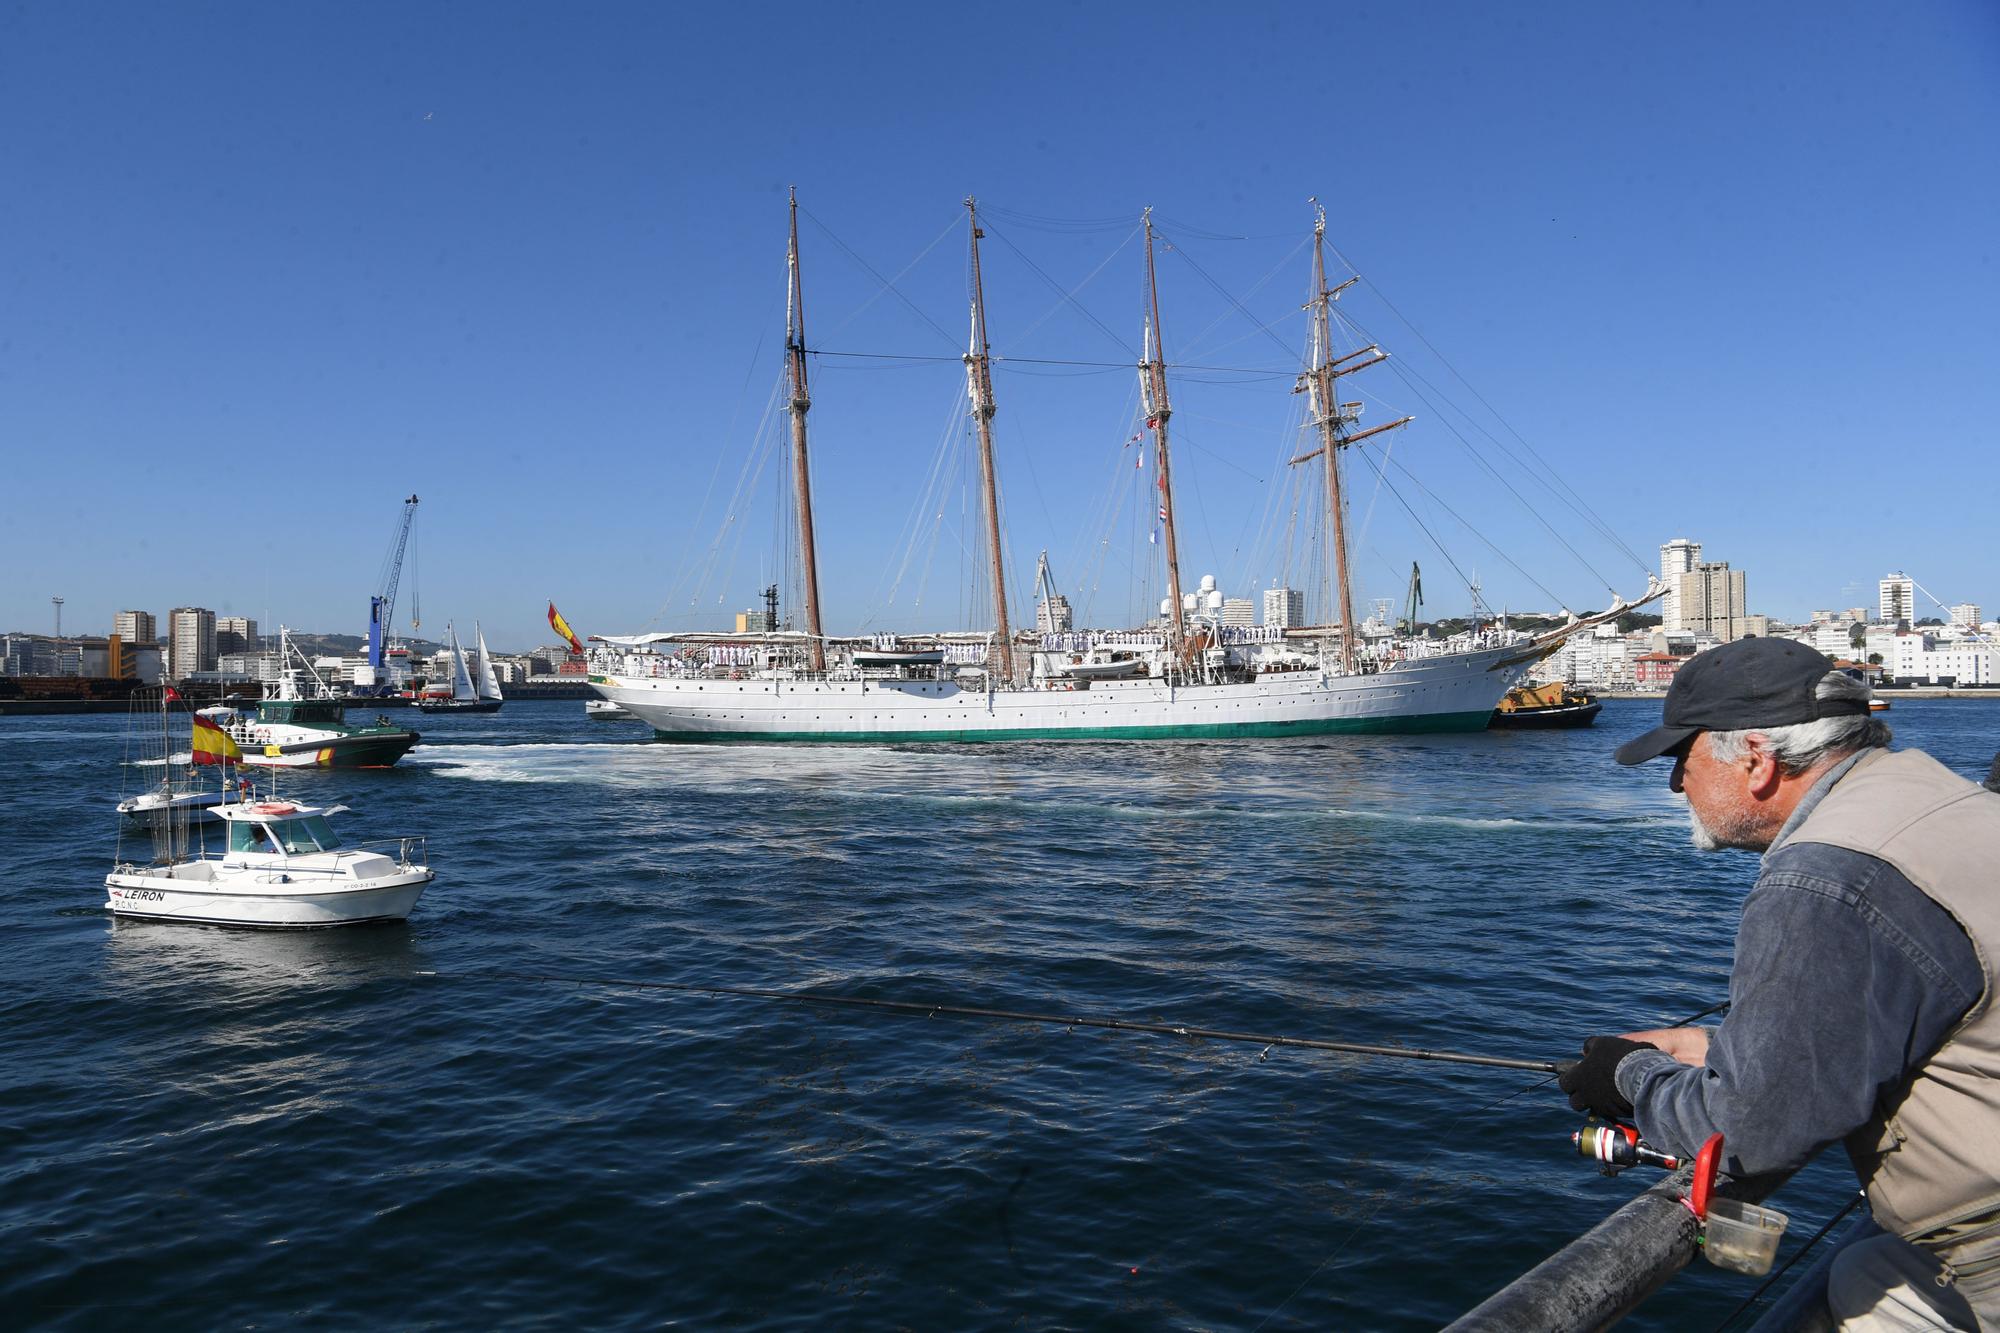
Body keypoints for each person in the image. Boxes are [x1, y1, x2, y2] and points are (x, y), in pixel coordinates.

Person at [1556, 637, 2000, 1332]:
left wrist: (1630, 1076)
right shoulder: (1934, 795)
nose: (1676, 785)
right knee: (1862, 1274)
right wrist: (1720, 1046)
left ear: (1758, 760)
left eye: (1682, 758)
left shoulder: (1825, 878)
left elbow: (1741, 1133)